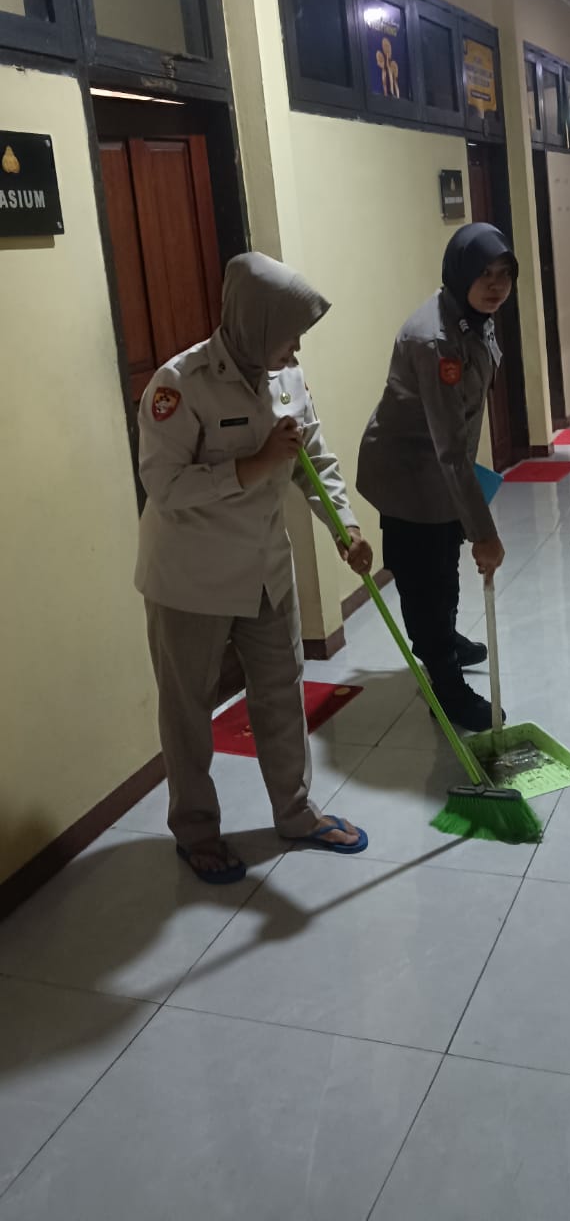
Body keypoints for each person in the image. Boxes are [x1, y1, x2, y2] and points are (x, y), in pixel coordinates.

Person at [135, 252, 373, 883]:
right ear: (254, 322)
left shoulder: (286, 377)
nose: (296, 348)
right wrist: (252, 465)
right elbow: (165, 487)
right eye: (289, 334)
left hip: (266, 569)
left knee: (280, 690)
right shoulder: (178, 384)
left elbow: (315, 461)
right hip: (190, 578)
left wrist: (345, 527)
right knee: (188, 710)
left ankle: (295, 813)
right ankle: (196, 832)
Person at [357, 223, 518, 732]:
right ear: (460, 273)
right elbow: (448, 448)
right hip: (407, 474)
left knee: (444, 564)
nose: (495, 285)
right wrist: (485, 533)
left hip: (442, 468)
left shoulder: (473, 318)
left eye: (504, 274)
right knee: (425, 580)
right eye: (484, 274)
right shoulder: (437, 340)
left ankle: (445, 639)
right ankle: (444, 687)